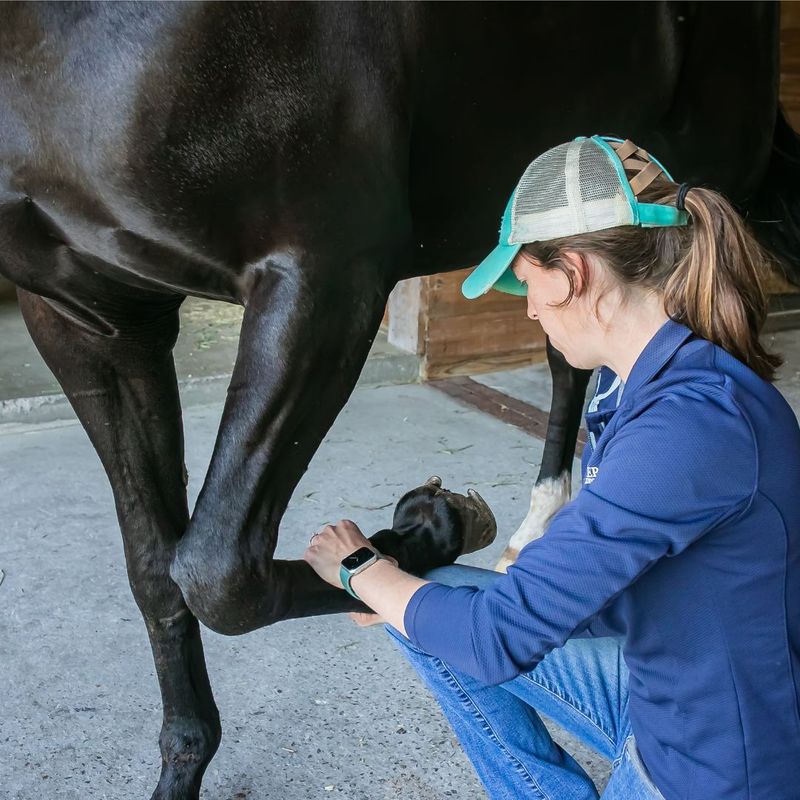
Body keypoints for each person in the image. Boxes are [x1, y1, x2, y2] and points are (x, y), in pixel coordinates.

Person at [303, 135, 800, 800]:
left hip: (713, 766)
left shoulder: (690, 429)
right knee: (428, 604)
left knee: (429, 610)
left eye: (529, 286)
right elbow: (616, 587)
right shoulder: (641, 385)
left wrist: (362, 570)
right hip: (660, 690)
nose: (531, 309)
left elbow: (496, 638)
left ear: (574, 273)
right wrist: (517, 580)